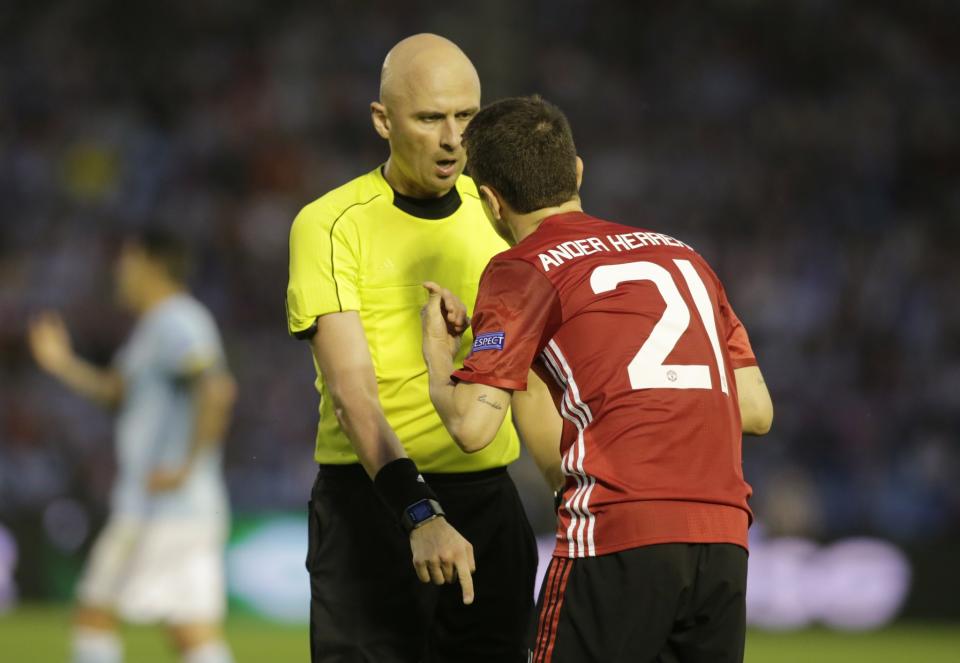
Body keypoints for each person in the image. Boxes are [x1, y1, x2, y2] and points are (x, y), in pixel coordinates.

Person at [420, 96, 774, 663]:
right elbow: (756, 410)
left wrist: (440, 357)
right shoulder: (683, 257)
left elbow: (471, 426)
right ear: (577, 171)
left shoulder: (522, 268)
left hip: (617, 531)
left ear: (489, 201)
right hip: (723, 538)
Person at [285, 34, 536, 663]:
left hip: (487, 506)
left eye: (467, 117)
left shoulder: (502, 217)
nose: (454, 138)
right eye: (430, 118)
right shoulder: (330, 222)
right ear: (383, 120)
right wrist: (420, 514)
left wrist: (575, 495)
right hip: (372, 506)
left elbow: (528, 377)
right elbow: (352, 393)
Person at [27, 229, 237, 663]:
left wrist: (185, 466)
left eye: (126, 262)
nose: (118, 274)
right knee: (190, 630)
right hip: (184, 506)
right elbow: (116, 392)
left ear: (150, 264)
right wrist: (63, 363)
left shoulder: (179, 319)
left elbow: (216, 389)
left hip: (160, 505)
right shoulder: (155, 327)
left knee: (94, 615)